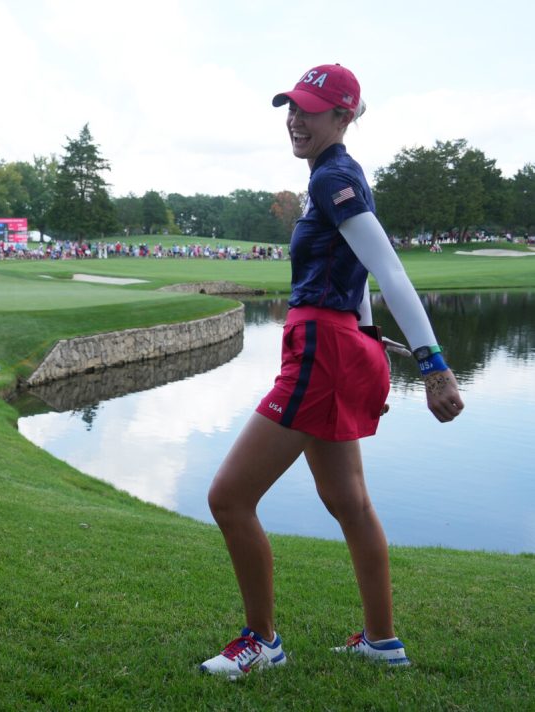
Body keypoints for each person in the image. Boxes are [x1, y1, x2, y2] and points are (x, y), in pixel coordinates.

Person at [198, 64, 465, 678]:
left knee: (228, 498)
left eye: (311, 110)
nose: (296, 119)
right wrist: (369, 349)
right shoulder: (334, 175)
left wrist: (435, 366)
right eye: (291, 107)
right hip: (335, 347)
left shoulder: (335, 178)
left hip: (322, 350)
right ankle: (381, 642)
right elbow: (359, 282)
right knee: (348, 501)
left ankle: (262, 641)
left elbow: (390, 270)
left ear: (343, 117)